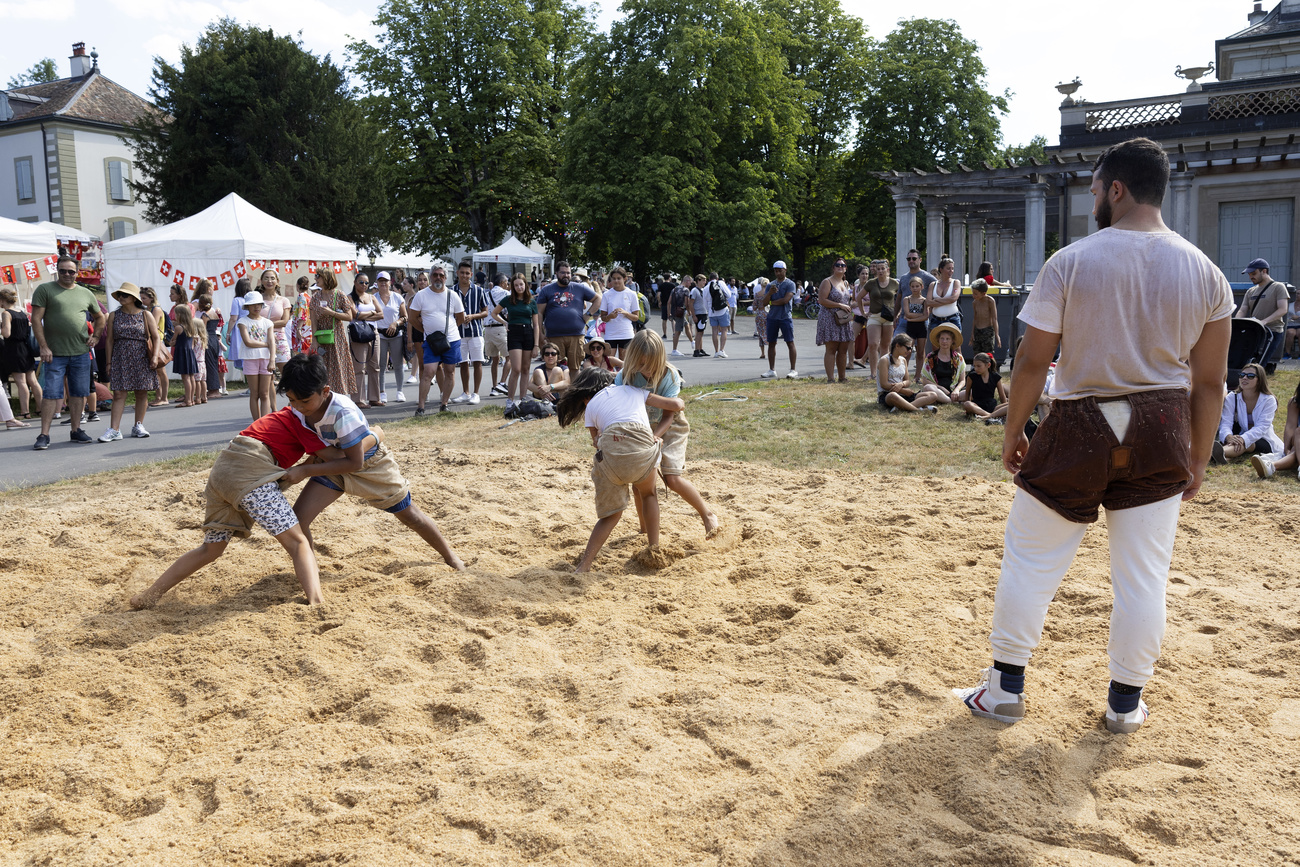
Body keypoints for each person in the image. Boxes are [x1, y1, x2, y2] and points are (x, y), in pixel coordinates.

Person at [952, 137, 1233, 734]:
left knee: (1030, 561)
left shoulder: (1072, 261)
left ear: (1116, 188)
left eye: (1095, 187)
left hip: (1081, 420)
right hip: (1161, 426)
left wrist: (1013, 430)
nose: (1091, 198)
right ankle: (1125, 704)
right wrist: (1199, 459)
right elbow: (1210, 384)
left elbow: (1030, 363)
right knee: (1144, 575)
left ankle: (1004, 692)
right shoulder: (1205, 272)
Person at [127, 354, 387, 611]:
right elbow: (341, 457)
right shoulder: (305, 421)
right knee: (297, 542)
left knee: (211, 549)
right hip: (249, 472)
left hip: (223, 470)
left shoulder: (286, 415)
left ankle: (148, 596)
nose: (299, 406)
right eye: (296, 401)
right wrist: (374, 436)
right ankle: (317, 603)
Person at [284, 355, 466, 572]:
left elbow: (354, 462)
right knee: (299, 520)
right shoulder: (298, 409)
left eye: (304, 401)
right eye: (291, 400)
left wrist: (305, 470)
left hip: (371, 465)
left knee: (411, 517)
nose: (298, 407)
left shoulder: (342, 412)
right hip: (331, 465)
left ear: (325, 391)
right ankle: (311, 572)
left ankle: (450, 555)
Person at [554, 367, 686, 573]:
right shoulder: (633, 390)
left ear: (587, 394)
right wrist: (677, 398)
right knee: (649, 494)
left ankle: (584, 565)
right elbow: (676, 405)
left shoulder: (591, 408)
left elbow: (597, 443)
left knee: (611, 515)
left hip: (612, 458)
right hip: (643, 450)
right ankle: (654, 548)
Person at [617, 330, 719, 536]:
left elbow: (668, 416)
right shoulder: (624, 377)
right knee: (639, 483)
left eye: (651, 365)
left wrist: (658, 436)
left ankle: (707, 515)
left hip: (671, 428)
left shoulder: (669, 375)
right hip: (641, 429)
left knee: (672, 478)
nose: (646, 370)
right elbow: (621, 411)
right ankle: (644, 529)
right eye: (641, 365)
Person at [31, 255, 104, 449]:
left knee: (78, 393)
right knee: (51, 394)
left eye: (71, 271)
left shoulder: (85, 293)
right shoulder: (45, 289)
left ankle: (76, 430)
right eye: (62, 270)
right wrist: (44, 346)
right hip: (54, 354)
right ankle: (44, 435)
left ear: (77, 273)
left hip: (81, 352)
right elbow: (36, 319)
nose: (66, 274)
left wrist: (96, 337)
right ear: (57, 270)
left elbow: (100, 317)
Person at [97, 282, 163, 441]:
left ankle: (138, 425)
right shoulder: (114, 315)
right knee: (119, 393)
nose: (120, 297)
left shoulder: (145, 314)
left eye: (124, 295)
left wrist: (154, 356)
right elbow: (110, 340)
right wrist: (108, 362)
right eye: (119, 295)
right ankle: (114, 429)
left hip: (142, 356)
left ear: (133, 298)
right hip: (120, 356)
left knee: (141, 392)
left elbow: (156, 337)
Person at [409, 264, 466, 415]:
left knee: (450, 371)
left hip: (452, 340)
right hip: (431, 341)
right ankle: (421, 407)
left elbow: (460, 318)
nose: (438, 278)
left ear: (446, 278)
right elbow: (412, 318)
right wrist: (426, 331)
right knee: (428, 371)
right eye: (435, 275)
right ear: (431, 277)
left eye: (441, 275)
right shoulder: (421, 295)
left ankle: (444, 404)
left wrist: (448, 332)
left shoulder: (452, 295)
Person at [1211, 362, 1284, 464]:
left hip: (1263, 438)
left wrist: (1243, 438)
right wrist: (1228, 436)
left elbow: (1262, 427)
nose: (1244, 378)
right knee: (1238, 443)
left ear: (1259, 380)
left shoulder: (1269, 400)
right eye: (1242, 375)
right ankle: (1221, 456)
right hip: (1239, 434)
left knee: (1246, 444)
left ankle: (1214, 454)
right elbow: (1226, 422)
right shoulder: (1232, 397)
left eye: (1250, 376)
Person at [492, 273, 540, 413]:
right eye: (516, 285)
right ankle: (510, 400)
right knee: (516, 368)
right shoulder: (508, 299)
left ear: (525, 285)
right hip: (514, 333)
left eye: (521, 284)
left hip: (528, 333)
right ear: (512, 286)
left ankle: (523, 399)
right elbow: (494, 313)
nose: (519, 287)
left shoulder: (531, 301)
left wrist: (536, 345)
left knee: (526, 369)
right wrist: (505, 323)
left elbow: (536, 325)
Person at [537, 261, 599, 371]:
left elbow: (598, 299)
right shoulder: (546, 290)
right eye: (563, 273)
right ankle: (558, 388)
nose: (566, 275)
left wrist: (588, 315)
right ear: (556, 273)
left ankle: (573, 389)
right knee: (555, 369)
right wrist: (540, 334)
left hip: (576, 335)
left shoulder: (579, 288)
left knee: (574, 368)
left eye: (568, 273)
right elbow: (539, 313)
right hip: (554, 336)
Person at [1236, 257, 1289, 375]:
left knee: (1260, 364)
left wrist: (1264, 321)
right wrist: (1237, 323)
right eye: (1249, 274)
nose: (1251, 277)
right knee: (1246, 360)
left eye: (1254, 273)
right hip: (1255, 331)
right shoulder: (1250, 291)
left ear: (1264, 271)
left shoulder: (1278, 287)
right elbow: (1243, 309)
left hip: (1273, 331)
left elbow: (1283, 309)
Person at [308, 267, 355, 397]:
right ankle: (325, 398)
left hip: (337, 336)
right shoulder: (315, 297)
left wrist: (331, 313)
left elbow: (349, 316)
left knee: (338, 368)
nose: (315, 279)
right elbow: (313, 321)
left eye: (318, 276)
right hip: (321, 337)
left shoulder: (339, 295)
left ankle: (340, 397)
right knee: (323, 370)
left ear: (326, 277)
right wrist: (314, 340)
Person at [452, 261, 492, 405]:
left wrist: (472, 316)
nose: (464, 275)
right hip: (458, 333)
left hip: (475, 332)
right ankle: (465, 392)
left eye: (467, 273)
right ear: (457, 273)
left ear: (471, 275)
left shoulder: (479, 291)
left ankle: (476, 393)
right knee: (463, 363)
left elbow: (486, 312)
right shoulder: (451, 291)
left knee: (477, 362)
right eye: (462, 272)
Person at [0, 286, 41, 419]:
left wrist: (1, 327)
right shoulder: (22, 312)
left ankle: (25, 411)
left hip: (14, 349)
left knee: (21, 381)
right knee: (33, 380)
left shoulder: (6, 313)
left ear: (2, 300)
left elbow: (6, 334)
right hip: (26, 348)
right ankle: (40, 408)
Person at [236, 291, 276, 418]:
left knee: (264, 393)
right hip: (250, 358)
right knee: (254, 393)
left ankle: (264, 422)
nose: (256, 307)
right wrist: (266, 344)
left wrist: (272, 360)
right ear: (247, 306)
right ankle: (256, 423)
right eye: (253, 304)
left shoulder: (268, 322)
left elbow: (272, 341)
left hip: (266, 358)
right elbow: (248, 342)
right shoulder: (243, 321)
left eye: (258, 304)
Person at [876, 333, 939, 413]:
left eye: (911, 348)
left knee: (933, 395)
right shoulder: (884, 360)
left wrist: (901, 384)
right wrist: (903, 391)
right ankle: (918, 410)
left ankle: (901, 407)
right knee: (892, 395)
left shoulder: (903, 360)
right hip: (888, 394)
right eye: (908, 348)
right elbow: (884, 384)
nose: (910, 351)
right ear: (897, 346)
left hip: (904, 394)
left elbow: (908, 381)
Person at [1251, 378, 1300, 479]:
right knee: (1297, 438)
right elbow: (1290, 426)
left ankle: (1272, 466)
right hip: (1298, 441)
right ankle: (1270, 467)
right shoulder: (1295, 402)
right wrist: (1286, 448)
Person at [346, 272, 382, 408]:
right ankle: (358, 399)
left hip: (373, 333)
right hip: (359, 334)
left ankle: (374, 397)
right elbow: (355, 314)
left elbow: (381, 314)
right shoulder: (350, 298)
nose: (364, 285)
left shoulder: (372, 297)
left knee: (375, 366)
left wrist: (365, 316)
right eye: (361, 282)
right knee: (359, 367)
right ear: (355, 283)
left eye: (367, 282)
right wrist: (372, 313)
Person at [816, 257, 854, 382]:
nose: (840, 267)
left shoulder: (846, 283)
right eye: (837, 265)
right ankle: (831, 378)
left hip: (843, 319)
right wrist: (839, 305)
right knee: (831, 349)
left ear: (845, 269)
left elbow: (847, 300)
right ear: (833, 268)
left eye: (843, 265)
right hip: (829, 318)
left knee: (843, 349)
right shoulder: (827, 282)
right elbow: (822, 300)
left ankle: (842, 377)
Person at [758, 260, 798, 379]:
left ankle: (793, 369)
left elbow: (785, 300)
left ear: (785, 270)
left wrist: (771, 302)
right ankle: (772, 369)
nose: (778, 273)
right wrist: (769, 293)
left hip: (785, 317)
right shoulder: (771, 285)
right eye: (776, 271)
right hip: (772, 317)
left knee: (790, 342)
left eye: (780, 271)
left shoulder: (790, 284)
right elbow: (763, 303)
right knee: (771, 343)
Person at [373, 271, 408, 405]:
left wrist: (396, 323)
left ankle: (400, 391)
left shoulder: (397, 297)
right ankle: (382, 392)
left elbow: (405, 317)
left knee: (398, 363)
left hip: (395, 334)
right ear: (377, 282)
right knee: (381, 365)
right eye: (380, 280)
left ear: (390, 282)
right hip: (380, 334)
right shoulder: (373, 297)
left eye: (385, 280)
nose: (383, 283)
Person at [260, 270, 291, 396]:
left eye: (272, 278)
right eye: (266, 278)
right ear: (261, 281)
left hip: (279, 338)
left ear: (277, 281)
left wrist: (264, 323)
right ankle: (272, 408)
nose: (269, 281)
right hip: (261, 338)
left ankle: (293, 403)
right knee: (267, 376)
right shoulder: (257, 299)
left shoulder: (283, 300)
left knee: (287, 373)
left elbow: (284, 321)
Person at [920, 322, 967, 404]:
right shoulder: (930, 357)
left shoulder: (958, 358)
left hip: (954, 392)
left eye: (947, 339)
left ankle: (944, 400)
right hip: (937, 390)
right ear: (938, 340)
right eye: (942, 338)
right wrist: (940, 388)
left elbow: (962, 380)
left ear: (952, 341)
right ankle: (951, 402)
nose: (944, 341)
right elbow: (925, 380)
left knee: (973, 391)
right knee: (928, 387)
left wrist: (956, 390)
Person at [140, 286, 173, 405]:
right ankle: (158, 397)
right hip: (151, 341)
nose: (142, 300)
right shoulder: (149, 309)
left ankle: (164, 398)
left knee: (161, 370)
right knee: (156, 371)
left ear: (151, 298)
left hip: (157, 341)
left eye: (144, 298)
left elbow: (151, 326)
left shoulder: (156, 309)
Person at [599, 266, 640, 358]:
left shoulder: (632, 294)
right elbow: (603, 317)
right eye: (613, 278)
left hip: (626, 333)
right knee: (609, 361)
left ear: (624, 279)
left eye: (619, 278)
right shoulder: (606, 294)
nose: (616, 281)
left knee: (624, 363)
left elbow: (636, 317)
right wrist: (610, 316)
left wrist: (626, 313)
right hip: (610, 333)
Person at [867, 259, 899, 375]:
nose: (880, 271)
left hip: (888, 317)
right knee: (873, 344)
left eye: (882, 268)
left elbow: (900, 297)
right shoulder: (871, 282)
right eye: (878, 269)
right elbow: (859, 297)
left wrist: (898, 313)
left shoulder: (894, 283)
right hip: (874, 316)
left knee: (885, 346)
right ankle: (873, 373)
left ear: (887, 270)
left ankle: (883, 372)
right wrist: (864, 312)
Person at [925, 257, 962, 353]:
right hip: (936, 319)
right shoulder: (933, 284)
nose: (951, 271)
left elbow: (954, 298)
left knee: (956, 347)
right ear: (941, 270)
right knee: (936, 347)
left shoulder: (955, 282)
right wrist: (946, 300)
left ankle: (959, 368)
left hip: (952, 318)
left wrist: (937, 300)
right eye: (948, 268)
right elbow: (928, 302)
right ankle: (938, 368)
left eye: (952, 268)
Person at [896, 249, 936, 334]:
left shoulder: (928, 277)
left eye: (914, 258)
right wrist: (895, 316)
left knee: (919, 347)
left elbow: (938, 291)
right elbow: (899, 298)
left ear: (920, 260)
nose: (911, 261)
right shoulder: (903, 278)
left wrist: (930, 309)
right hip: (904, 319)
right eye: (908, 259)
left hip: (921, 320)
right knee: (897, 343)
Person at [961, 352, 1009, 423]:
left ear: (988, 365)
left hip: (992, 406)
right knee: (967, 404)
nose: (976, 368)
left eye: (979, 366)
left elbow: (1002, 395)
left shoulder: (995, 377)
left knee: (1013, 404)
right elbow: (967, 393)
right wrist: (967, 410)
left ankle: (989, 416)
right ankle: (990, 416)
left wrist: (1004, 409)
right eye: (974, 366)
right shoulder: (971, 376)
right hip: (977, 406)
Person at [484, 274, 511, 397]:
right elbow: (508, 311)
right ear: (502, 282)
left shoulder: (486, 293)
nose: (507, 284)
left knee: (494, 359)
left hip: (487, 329)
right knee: (509, 357)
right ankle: (502, 383)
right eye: (507, 282)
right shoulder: (506, 294)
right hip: (500, 327)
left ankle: (494, 386)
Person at [901, 275, 929, 381]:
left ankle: (918, 376)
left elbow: (926, 316)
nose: (915, 288)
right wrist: (919, 315)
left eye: (917, 286)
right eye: (913, 286)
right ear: (910, 287)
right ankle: (905, 375)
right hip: (910, 329)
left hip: (921, 328)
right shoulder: (907, 299)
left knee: (920, 353)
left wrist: (912, 318)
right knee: (907, 351)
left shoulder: (924, 300)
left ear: (921, 287)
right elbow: (907, 313)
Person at [199, 294, 224, 399]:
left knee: (209, 365)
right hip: (214, 339)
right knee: (213, 363)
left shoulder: (205, 315)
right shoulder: (214, 313)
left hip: (208, 339)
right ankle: (215, 388)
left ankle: (213, 390)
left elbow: (203, 329)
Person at [970, 279, 1001, 359]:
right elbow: (975, 318)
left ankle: (990, 370)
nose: (973, 295)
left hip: (988, 331)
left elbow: (994, 318)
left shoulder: (990, 301)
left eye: (976, 294)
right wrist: (972, 333)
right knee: (977, 354)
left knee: (988, 355)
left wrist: (997, 334)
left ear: (983, 293)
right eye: (973, 293)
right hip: (978, 331)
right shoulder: (975, 302)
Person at [704, 271, 731, 358]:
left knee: (714, 331)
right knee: (724, 330)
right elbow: (729, 295)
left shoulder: (706, 288)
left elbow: (705, 303)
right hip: (722, 310)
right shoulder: (721, 283)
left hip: (712, 312)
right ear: (717, 278)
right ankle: (721, 350)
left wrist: (709, 311)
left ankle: (716, 351)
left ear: (709, 279)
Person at [668, 276, 691, 357]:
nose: (690, 284)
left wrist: (669, 313)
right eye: (690, 282)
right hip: (680, 312)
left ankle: (692, 341)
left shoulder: (674, 289)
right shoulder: (686, 290)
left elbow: (669, 302)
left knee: (686, 325)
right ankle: (674, 349)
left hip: (674, 312)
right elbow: (687, 303)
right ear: (687, 281)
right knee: (678, 331)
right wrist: (689, 312)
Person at [688, 273, 710, 357]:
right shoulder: (694, 290)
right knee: (699, 332)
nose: (705, 282)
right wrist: (694, 315)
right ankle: (696, 350)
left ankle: (700, 348)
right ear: (698, 280)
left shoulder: (703, 290)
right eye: (703, 280)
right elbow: (691, 303)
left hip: (704, 313)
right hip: (699, 313)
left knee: (701, 332)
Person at [753, 280, 769, 360]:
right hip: (769, 314)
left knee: (761, 333)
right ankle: (771, 349)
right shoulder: (769, 294)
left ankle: (763, 353)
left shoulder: (757, 294)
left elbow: (754, 307)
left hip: (760, 314)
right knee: (769, 332)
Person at [658, 275, 676, 339]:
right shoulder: (673, 285)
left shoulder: (661, 285)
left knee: (664, 319)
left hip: (664, 303)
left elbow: (658, 294)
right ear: (669, 278)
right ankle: (674, 333)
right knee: (672, 319)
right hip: (671, 304)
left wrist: (659, 301)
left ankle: (664, 334)